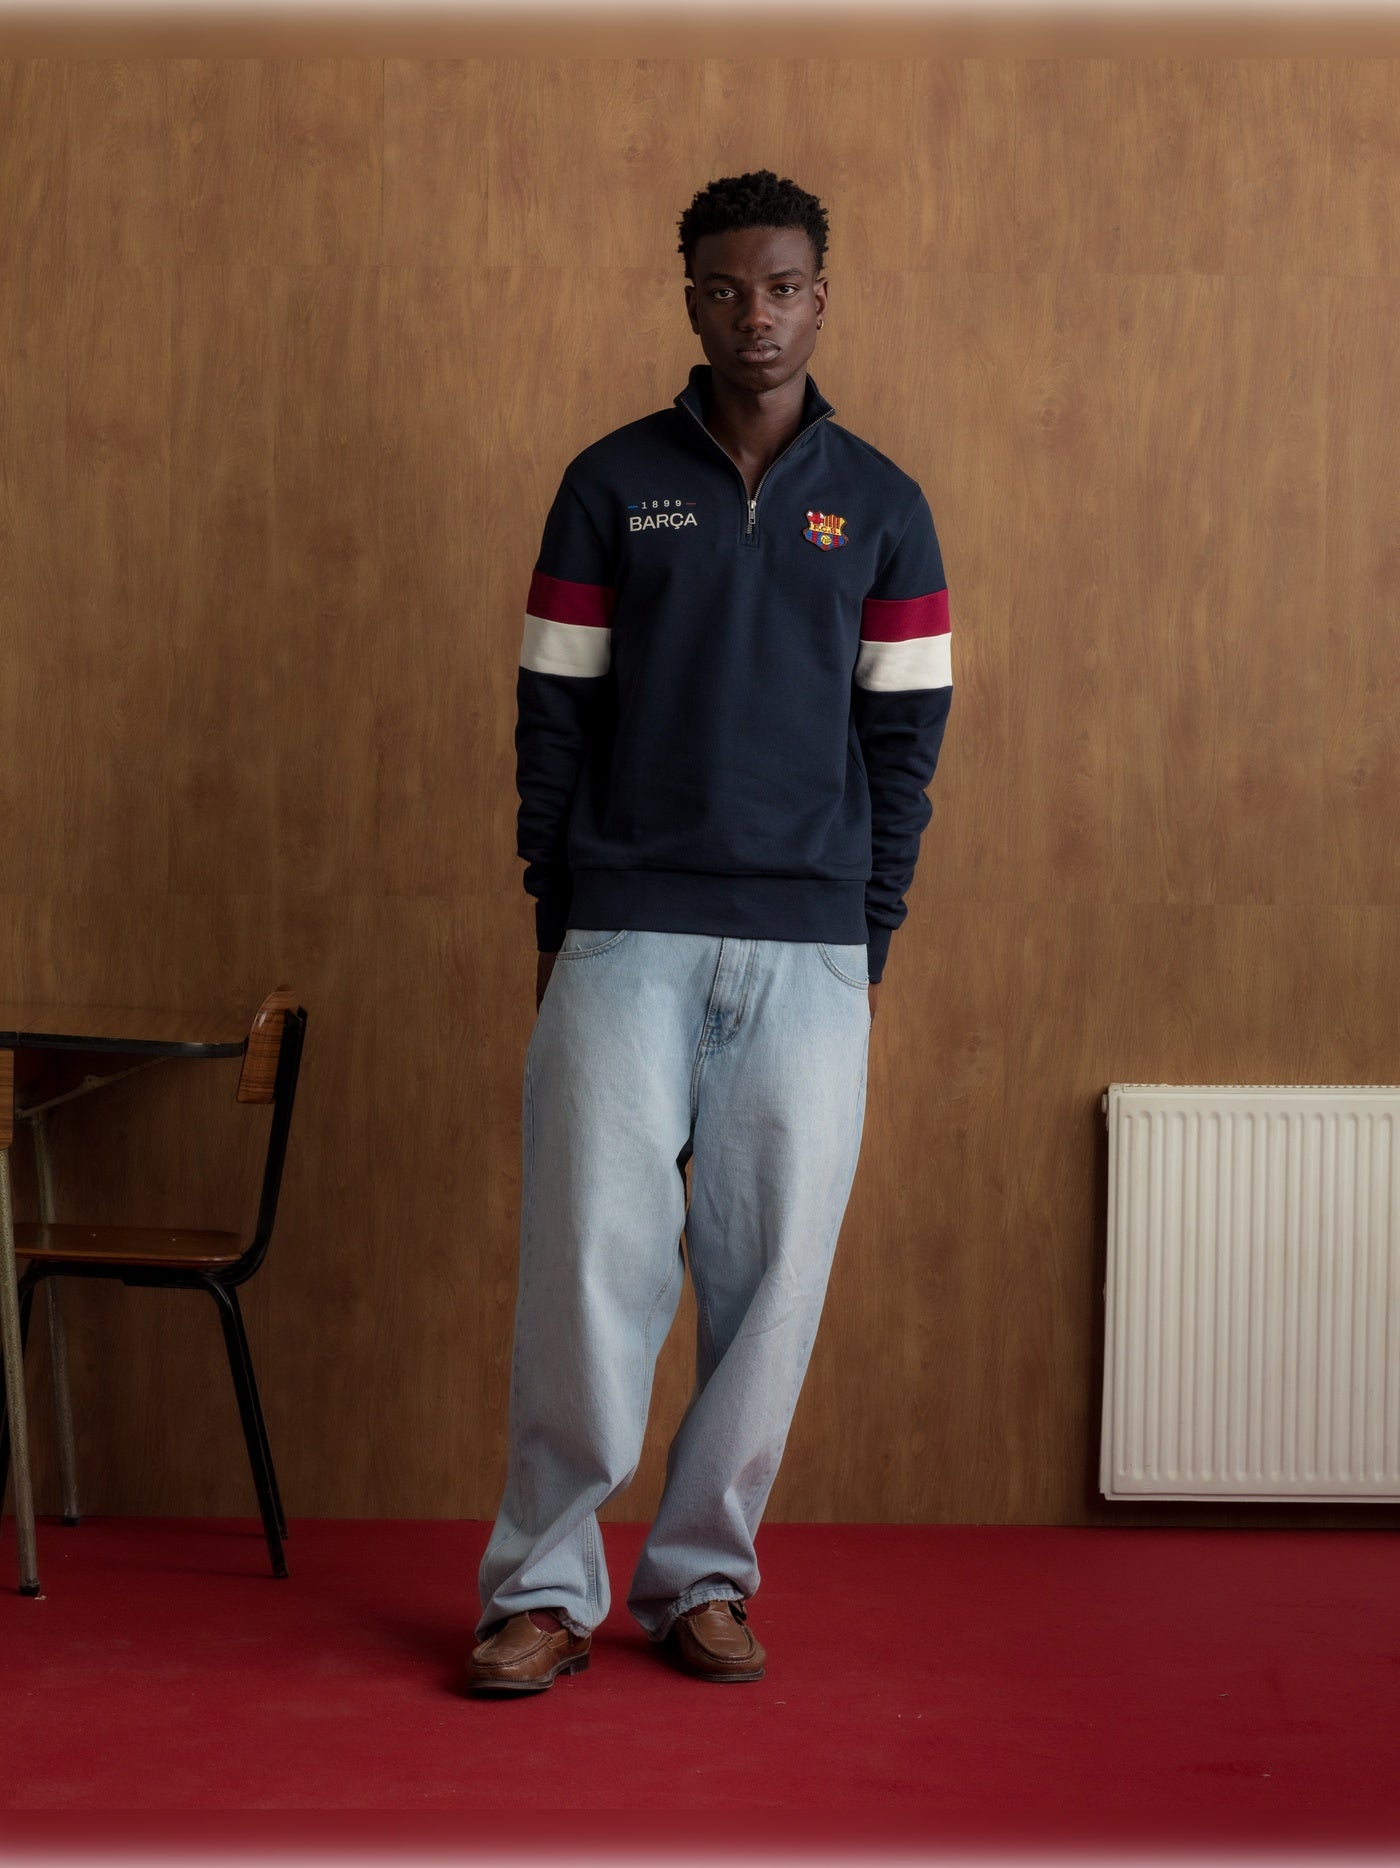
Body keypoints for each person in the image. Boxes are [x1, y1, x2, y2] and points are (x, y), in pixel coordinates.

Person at [468, 169, 954, 1694]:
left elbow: (907, 742)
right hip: (627, 932)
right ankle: (543, 1589)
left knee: (773, 1280)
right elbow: (554, 716)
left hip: (807, 953)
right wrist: (565, 914)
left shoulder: (881, 506)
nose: (761, 313)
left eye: (788, 285)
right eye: (730, 287)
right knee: (588, 1269)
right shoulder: (611, 483)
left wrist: (860, 940)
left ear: (826, 296)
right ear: (689, 296)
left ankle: (700, 1582)